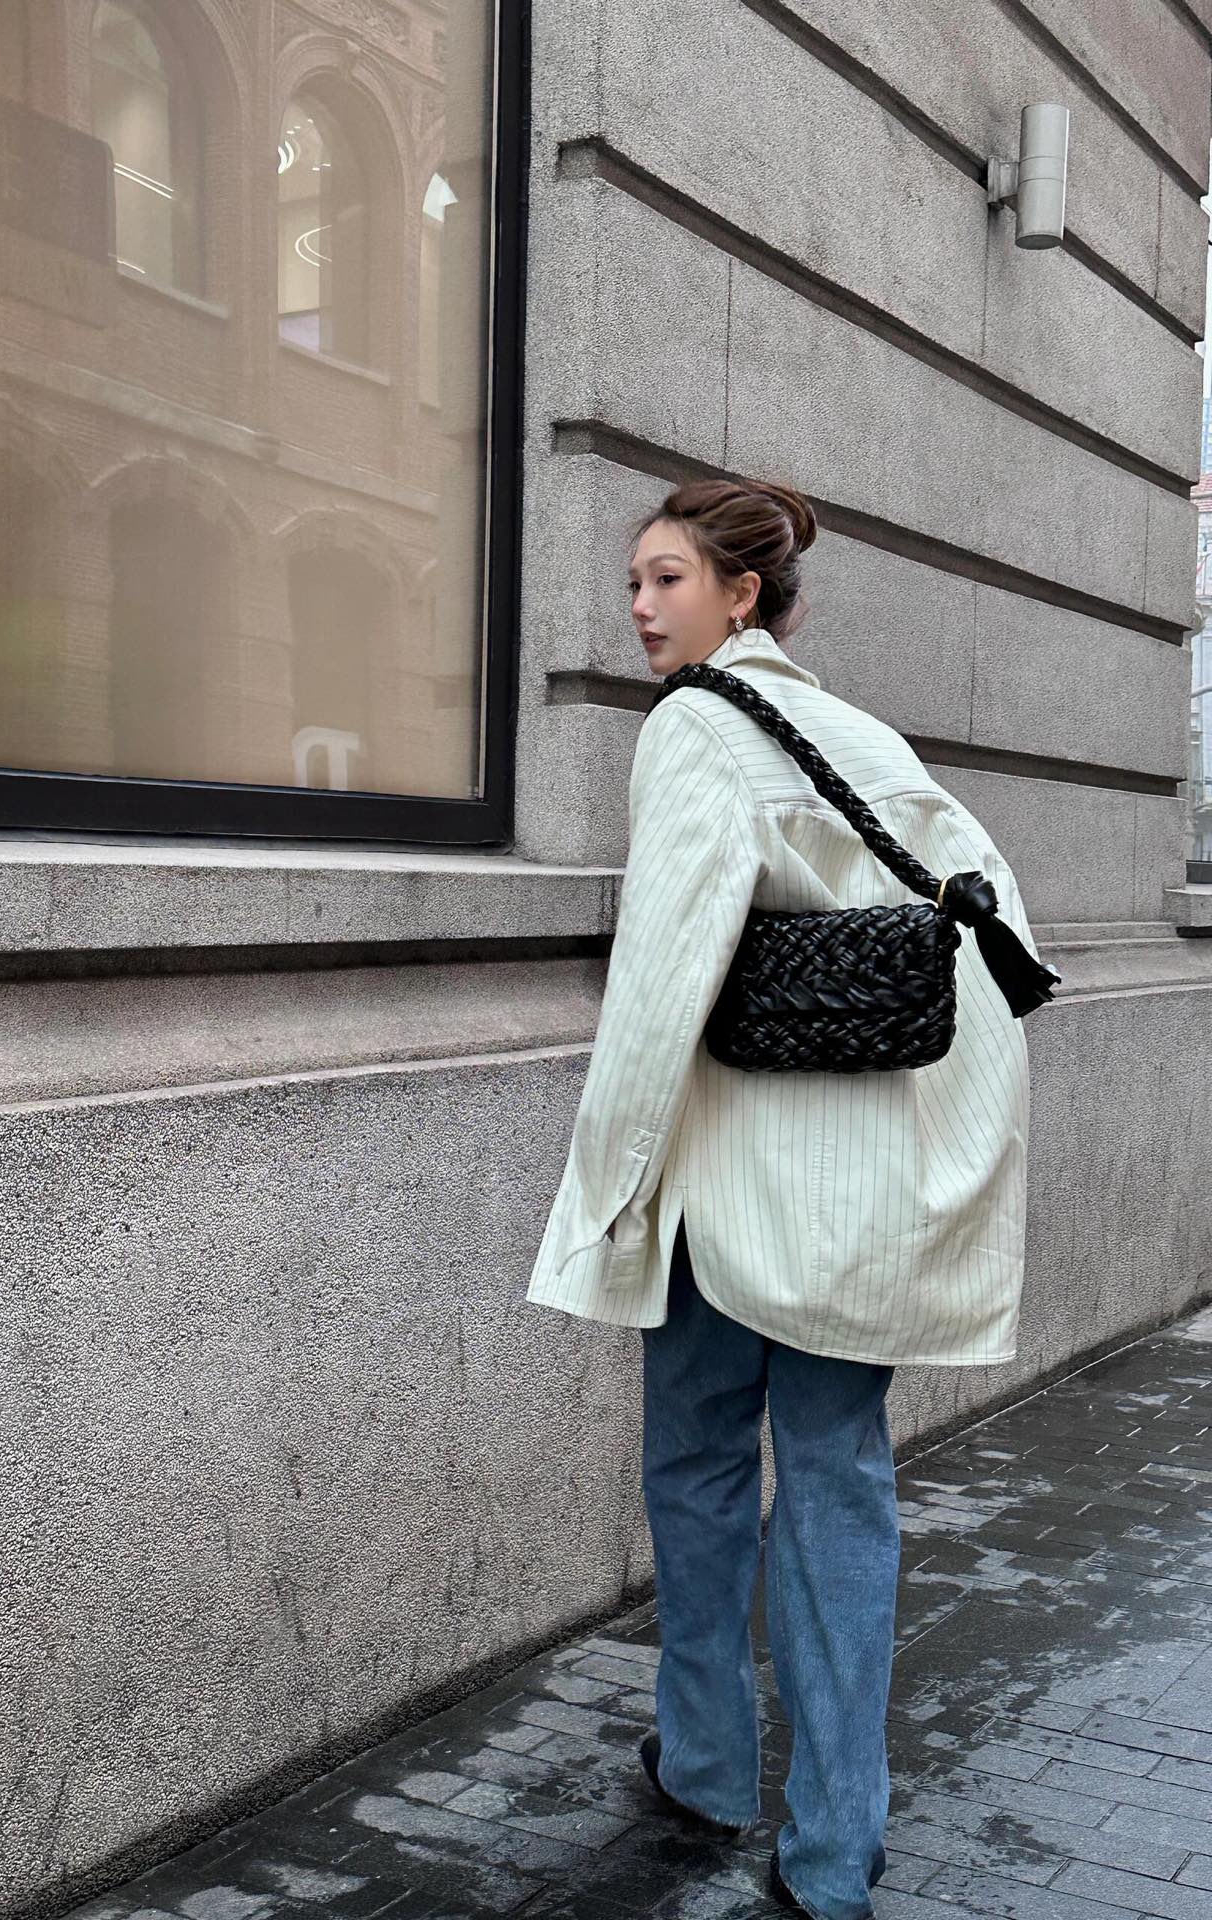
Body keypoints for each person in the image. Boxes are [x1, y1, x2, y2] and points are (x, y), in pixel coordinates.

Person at [526, 478, 1043, 1920]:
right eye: (634, 581)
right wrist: (943, 1158)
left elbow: (662, 978)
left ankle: (704, 1765)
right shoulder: (864, 739)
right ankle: (832, 1852)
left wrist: (606, 1187)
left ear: (741, 595)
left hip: (724, 1195)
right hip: (855, 1201)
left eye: (668, 579)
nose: (641, 607)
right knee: (837, 1489)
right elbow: (995, 951)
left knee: (698, 1463)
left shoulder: (696, 728)